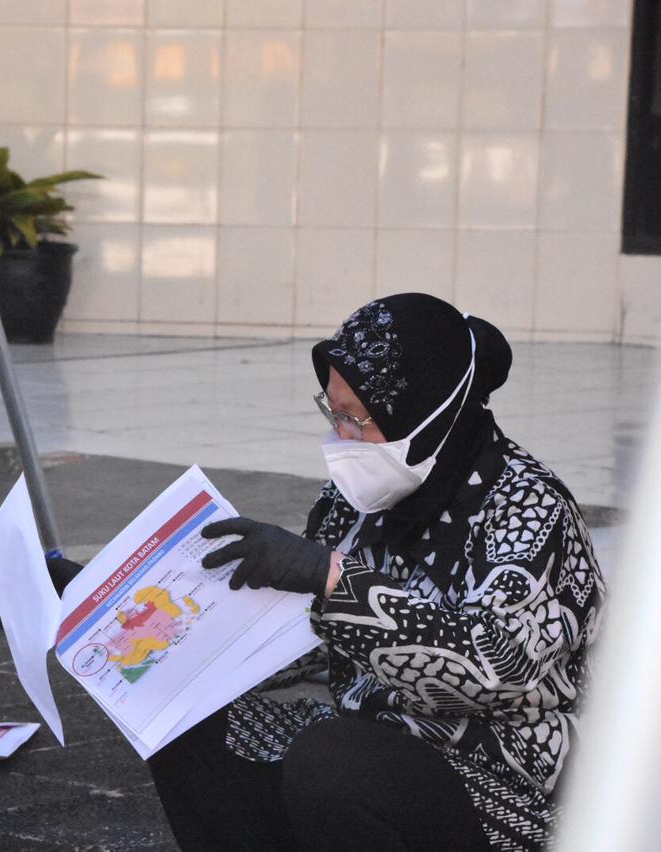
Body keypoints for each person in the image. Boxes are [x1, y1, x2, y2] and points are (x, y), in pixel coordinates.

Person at [146, 293, 604, 850]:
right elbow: (308, 638)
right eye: (332, 412)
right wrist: (153, 623)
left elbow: (496, 673)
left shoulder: (531, 508)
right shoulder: (362, 496)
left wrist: (334, 580)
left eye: (357, 419)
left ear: (429, 414)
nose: (341, 437)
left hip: (509, 787)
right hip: (377, 750)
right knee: (181, 719)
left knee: (335, 761)